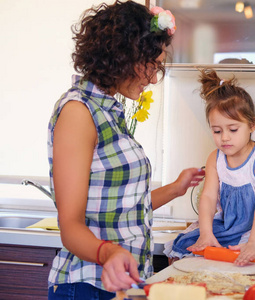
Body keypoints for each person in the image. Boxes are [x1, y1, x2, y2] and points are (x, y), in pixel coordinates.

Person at [47, 1, 204, 298]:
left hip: (122, 284)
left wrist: (176, 188)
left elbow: (123, 208)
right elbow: (70, 226)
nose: (154, 77)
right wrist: (109, 253)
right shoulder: (79, 113)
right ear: (126, 56)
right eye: (152, 65)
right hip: (87, 286)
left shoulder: (109, 112)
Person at [165, 69, 255, 266]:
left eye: (233, 129)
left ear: (251, 125)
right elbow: (208, 198)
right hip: (229, 227)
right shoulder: (215, 159)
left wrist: (253, 244)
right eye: (217, 130)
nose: (224, 137)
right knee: (183, 245)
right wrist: (207, 234)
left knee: (247, 260)